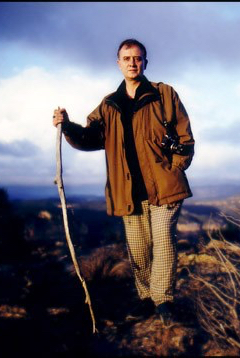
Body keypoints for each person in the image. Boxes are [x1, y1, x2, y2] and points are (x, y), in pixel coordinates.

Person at [52, 38, 195, 326]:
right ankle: (145, 298)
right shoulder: (109, 104)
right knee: (139, 248)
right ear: (118, 63)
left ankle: (163, 301)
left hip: (164, 186)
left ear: (145, 62)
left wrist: (174, 169)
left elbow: (185, 138)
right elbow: (91, 138)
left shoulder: (164, 95)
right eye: (127, 58)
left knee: (163, 242)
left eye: (138, 58)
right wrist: (67, 126)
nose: (132, 62)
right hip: (127, 190)